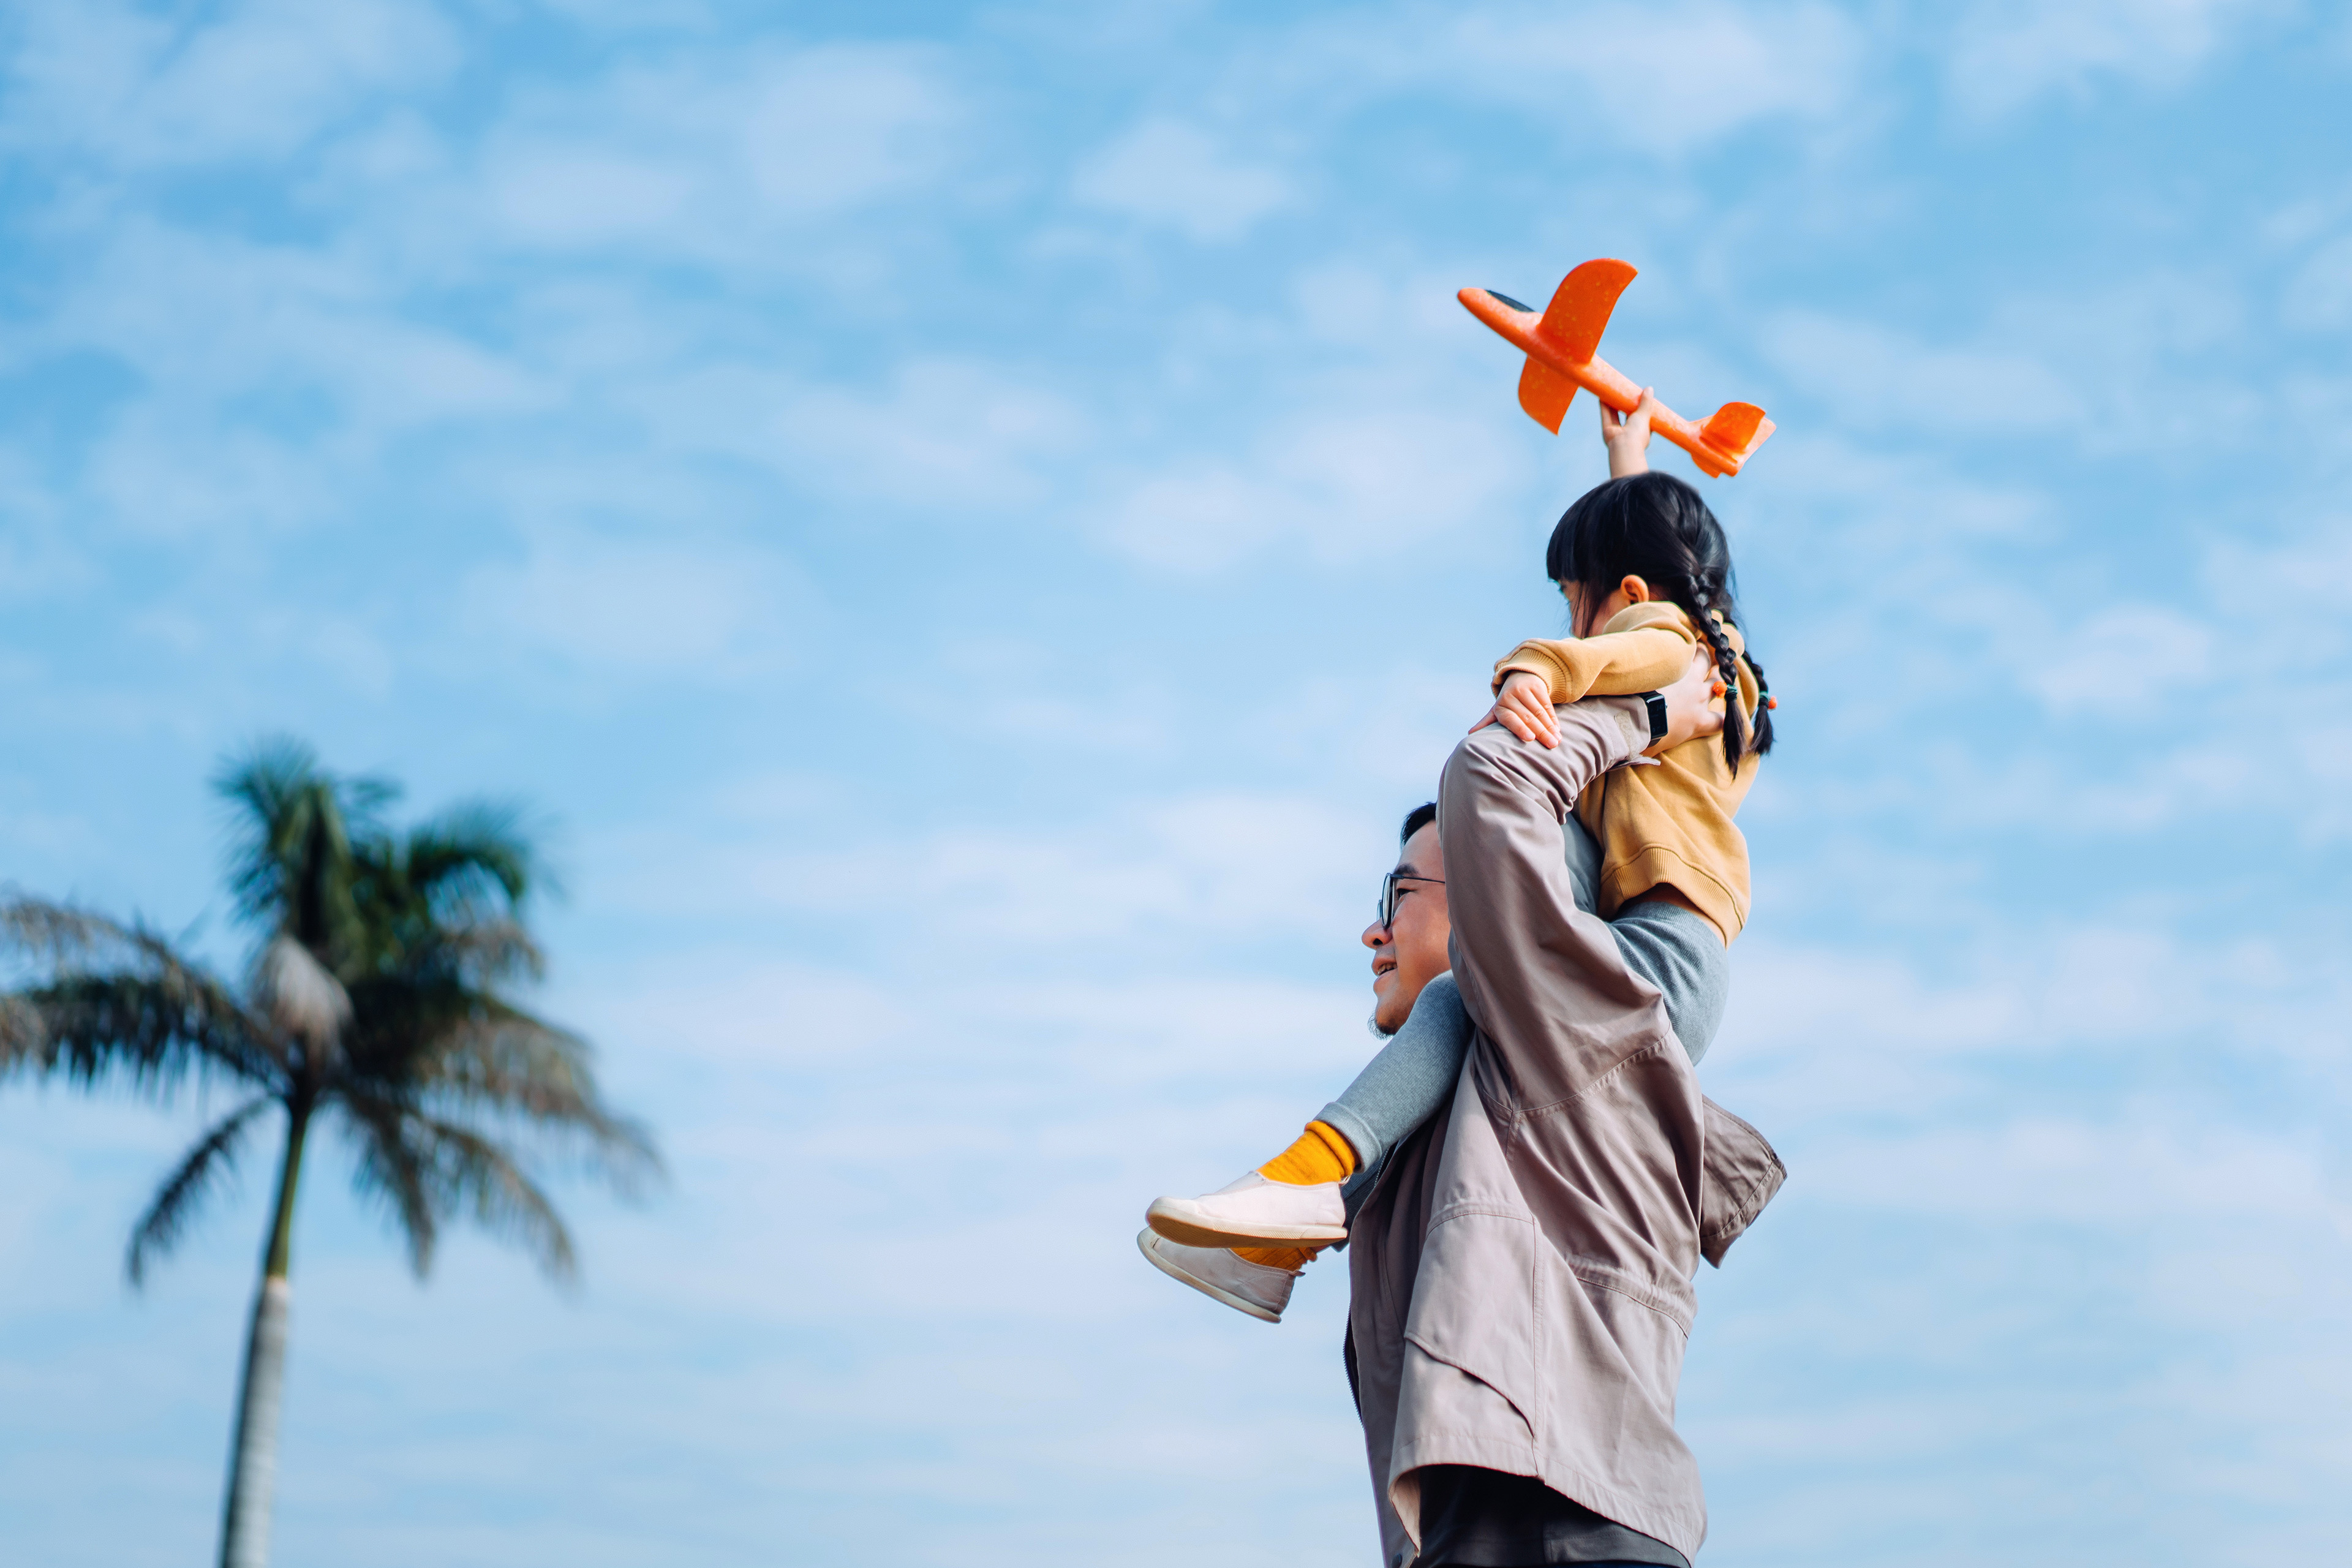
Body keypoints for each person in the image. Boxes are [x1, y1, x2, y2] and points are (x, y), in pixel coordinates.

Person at [1145, 390, 1772, 1276]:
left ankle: (1305, 1177)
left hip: (1656, 961)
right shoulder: (1715, 668)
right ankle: (1291, 1223)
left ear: (1629, 595)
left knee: (1455, 996)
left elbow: (1614, 649)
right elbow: (1642, 610)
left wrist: (1529, 670)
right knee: (1472, 1035)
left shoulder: (1672, 647)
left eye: (1571, 599)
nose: (1568, 621)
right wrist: (1627, 464)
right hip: (1678, 967)